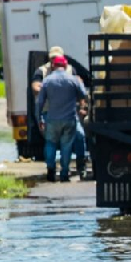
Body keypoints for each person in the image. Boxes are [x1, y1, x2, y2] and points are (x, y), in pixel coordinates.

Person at [32, 46, 88, 179]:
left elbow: (39, 101)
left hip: (51, 117)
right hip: (69, 117)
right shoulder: (45, 72)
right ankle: (64, 173)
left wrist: (38, 118)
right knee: (66, 145)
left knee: (50, 143)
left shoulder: (47, 81)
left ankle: (51, 169)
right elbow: (84, 94)